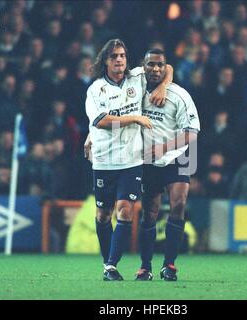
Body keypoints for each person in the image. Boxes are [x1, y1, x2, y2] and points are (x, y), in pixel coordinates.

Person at [85, 39, 173, 281]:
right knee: (104, 214)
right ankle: (108, 262)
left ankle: (111, 266)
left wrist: (164, 86)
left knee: (126, 211)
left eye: (122, 55)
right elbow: (101, 121)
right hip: (104, 160)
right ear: (105, 61)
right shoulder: (96, 90)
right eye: (114, 56)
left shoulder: (137, 77)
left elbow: (167, 68)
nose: (119, 60)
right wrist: (134, 118)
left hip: (131, 159)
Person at [135, 48, 200, 281]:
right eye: (150, 64)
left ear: (165, 67)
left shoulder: (180, 95)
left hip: (179, 155)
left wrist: (163, 148)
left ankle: (169, 265)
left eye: (160, 65)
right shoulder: (134, 88)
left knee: (179, 204)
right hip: (147, 159)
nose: (155, 69)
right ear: (143, 66)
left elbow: (192, 134)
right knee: (149, 213)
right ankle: (145, 266)